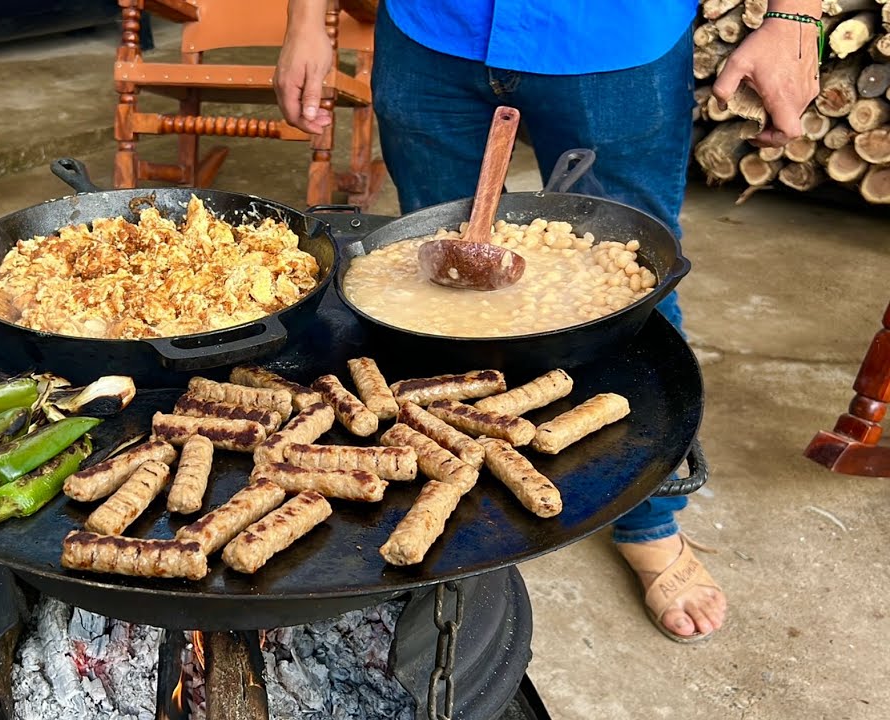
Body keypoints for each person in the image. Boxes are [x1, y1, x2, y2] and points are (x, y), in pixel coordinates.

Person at [275, 0, 821, 642]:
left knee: (638, 284)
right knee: (438, 284)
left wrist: (795, 17)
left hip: (614, 36)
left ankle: (651, 520)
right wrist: (307, 19)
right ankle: (456, 488)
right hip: (431, 28)